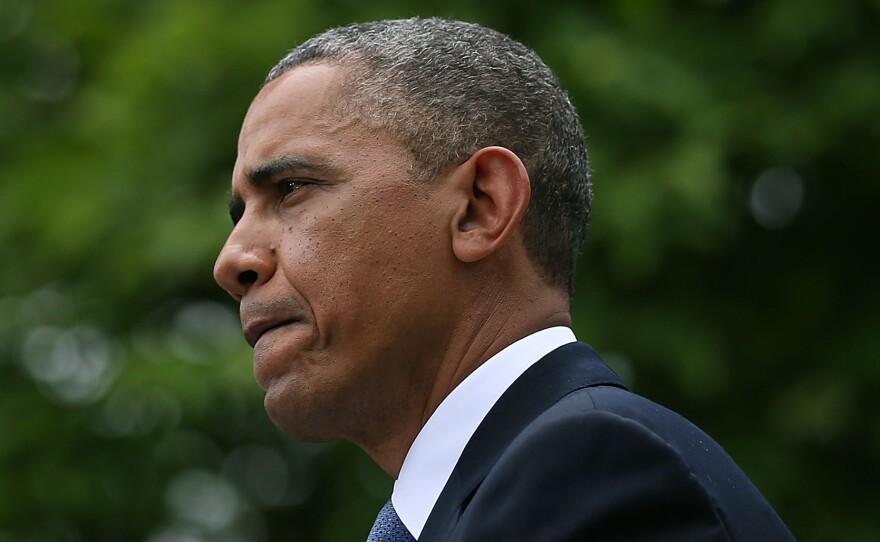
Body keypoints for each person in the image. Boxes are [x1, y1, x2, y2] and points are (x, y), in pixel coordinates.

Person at [213, 17, 795, 542]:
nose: (231, 260)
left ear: (480, 207)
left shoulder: (594, 473)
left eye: (290, 188)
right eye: (240, 215)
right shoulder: (516, 488)